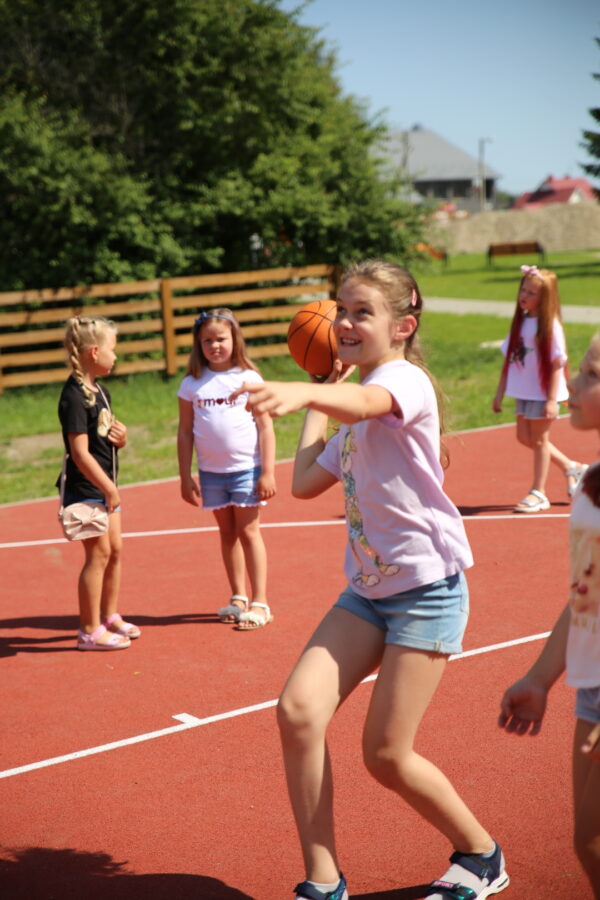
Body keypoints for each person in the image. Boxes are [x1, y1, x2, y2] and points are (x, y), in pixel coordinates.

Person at [234, 260, 509, 899]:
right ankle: (324, 880)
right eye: (341, 310)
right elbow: (304, 481)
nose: (345, 322)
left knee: (385, 755)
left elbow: (367, 400)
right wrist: (316, 389)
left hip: (426, 593)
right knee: (298, 712)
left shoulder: (402, 382)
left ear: (403, 326)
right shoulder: (351, 411)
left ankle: (481, 855)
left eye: (363, 312)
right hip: (367, 593)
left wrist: (309, 395)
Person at [499, 332, 600, 897]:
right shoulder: (591, 483)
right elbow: (586, 595)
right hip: (592, 689)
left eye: (591, 375)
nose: (574, 384)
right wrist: (539, 678)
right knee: (587, 842)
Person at [177, 308, 276, 630]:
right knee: (227, 533)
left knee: (249, 532)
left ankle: (260, 602)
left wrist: (268, 472)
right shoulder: (191, 384)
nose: (214, 345)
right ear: (198, 344)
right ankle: (238, 597)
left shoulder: (249, 379)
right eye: (207, 341)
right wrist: (185, 476)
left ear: (235, 339)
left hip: (247, 468)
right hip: (211, 474)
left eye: (221, 338)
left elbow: (266, 426)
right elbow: (185, 432)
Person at [58, 316, 138, 650]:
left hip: (104, 487)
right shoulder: (74, 396)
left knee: (114, 550)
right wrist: (108, 488)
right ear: (94, 352)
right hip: (87, 489)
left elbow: (103, 436)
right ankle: (89, 631)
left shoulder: (100, 391)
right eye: (112, 349)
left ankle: (109, 616)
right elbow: (79, 453)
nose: (115, 356)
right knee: (98, 554)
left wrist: (121, 438)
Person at [492, 264, 587, 513]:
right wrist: (500, 392)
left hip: (543, 392)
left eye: (531, 293)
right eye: (523, 290)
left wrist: (552, 400)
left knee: (539, 441)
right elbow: (509, 359)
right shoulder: (520, 323)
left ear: (545, 298)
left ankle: (539, 492)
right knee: (525, 438)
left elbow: (557, 364)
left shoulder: (550, 326)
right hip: (523, 390)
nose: (524, 296)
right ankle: (571, 467)